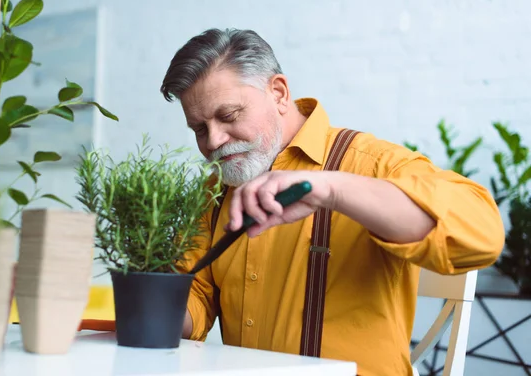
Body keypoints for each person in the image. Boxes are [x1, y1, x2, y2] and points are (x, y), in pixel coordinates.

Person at [160, 28, 505, 376]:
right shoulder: (216, 193)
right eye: (199, 129)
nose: (214, 141)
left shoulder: (370, 164)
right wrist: (145, 308)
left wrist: (332, 189)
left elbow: (482, 235)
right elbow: (196, 296)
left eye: (229, 116)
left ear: (278, 93)